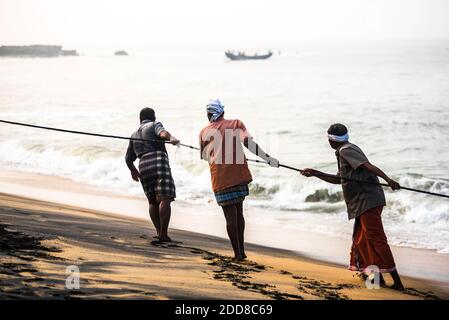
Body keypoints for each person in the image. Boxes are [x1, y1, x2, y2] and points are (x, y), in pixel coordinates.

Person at [301, 123, 405, 291]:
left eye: (328, 139)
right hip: (362, 203)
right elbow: (338, 179)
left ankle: (398, 283)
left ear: (331, 140)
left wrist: (388, 179)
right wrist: (315, 173)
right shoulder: (346, 150)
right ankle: (376, 278)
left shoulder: (345, 150)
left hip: (367, 201)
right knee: (362, 240)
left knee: (376, 240)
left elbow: (366, 166)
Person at [199, 99, 279, 260]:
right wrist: (268, 158)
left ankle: (237, 253)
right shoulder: (235, 123)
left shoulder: (204, 132)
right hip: (238, 174)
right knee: (239, 212)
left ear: (208, 114)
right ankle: (242, 251)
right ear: (222, 112)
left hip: (220, 178)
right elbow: (249, 144)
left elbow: (205, 156)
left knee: (229, 216)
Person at [125, 107, 179, 243]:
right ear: (154, 117)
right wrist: (171, 138)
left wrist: (133, 171)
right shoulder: (155, 124)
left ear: (140, 119)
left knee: (152, 201)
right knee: (164, 198)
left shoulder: (133, 135)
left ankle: (158, 232)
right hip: (157, 160)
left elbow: (128, 158)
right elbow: (162, 133)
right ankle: (164, 234)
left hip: (143, 164)